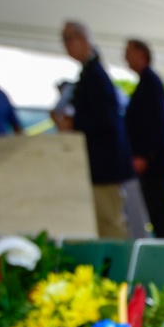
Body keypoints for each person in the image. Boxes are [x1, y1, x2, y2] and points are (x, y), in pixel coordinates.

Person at [53, 21, 133, 239]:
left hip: (105, 166)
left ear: (83, 40)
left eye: (68, 39)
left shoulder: (95, 74)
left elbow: (105, 119)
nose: (66, 45)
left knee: (111, 220)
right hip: (99, 166)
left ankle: (122, 271)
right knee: (105, 221)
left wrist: (74, 122)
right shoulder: (90, 73)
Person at [123, 39, 164, 238]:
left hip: (156, 164)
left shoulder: (151, 83)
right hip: (154, 163)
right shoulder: (146, 83)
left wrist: (144, 155)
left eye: (129, 52)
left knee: (163, 217)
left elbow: (154, 124)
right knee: (159, 217)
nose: (125, 57)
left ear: (141, 54)